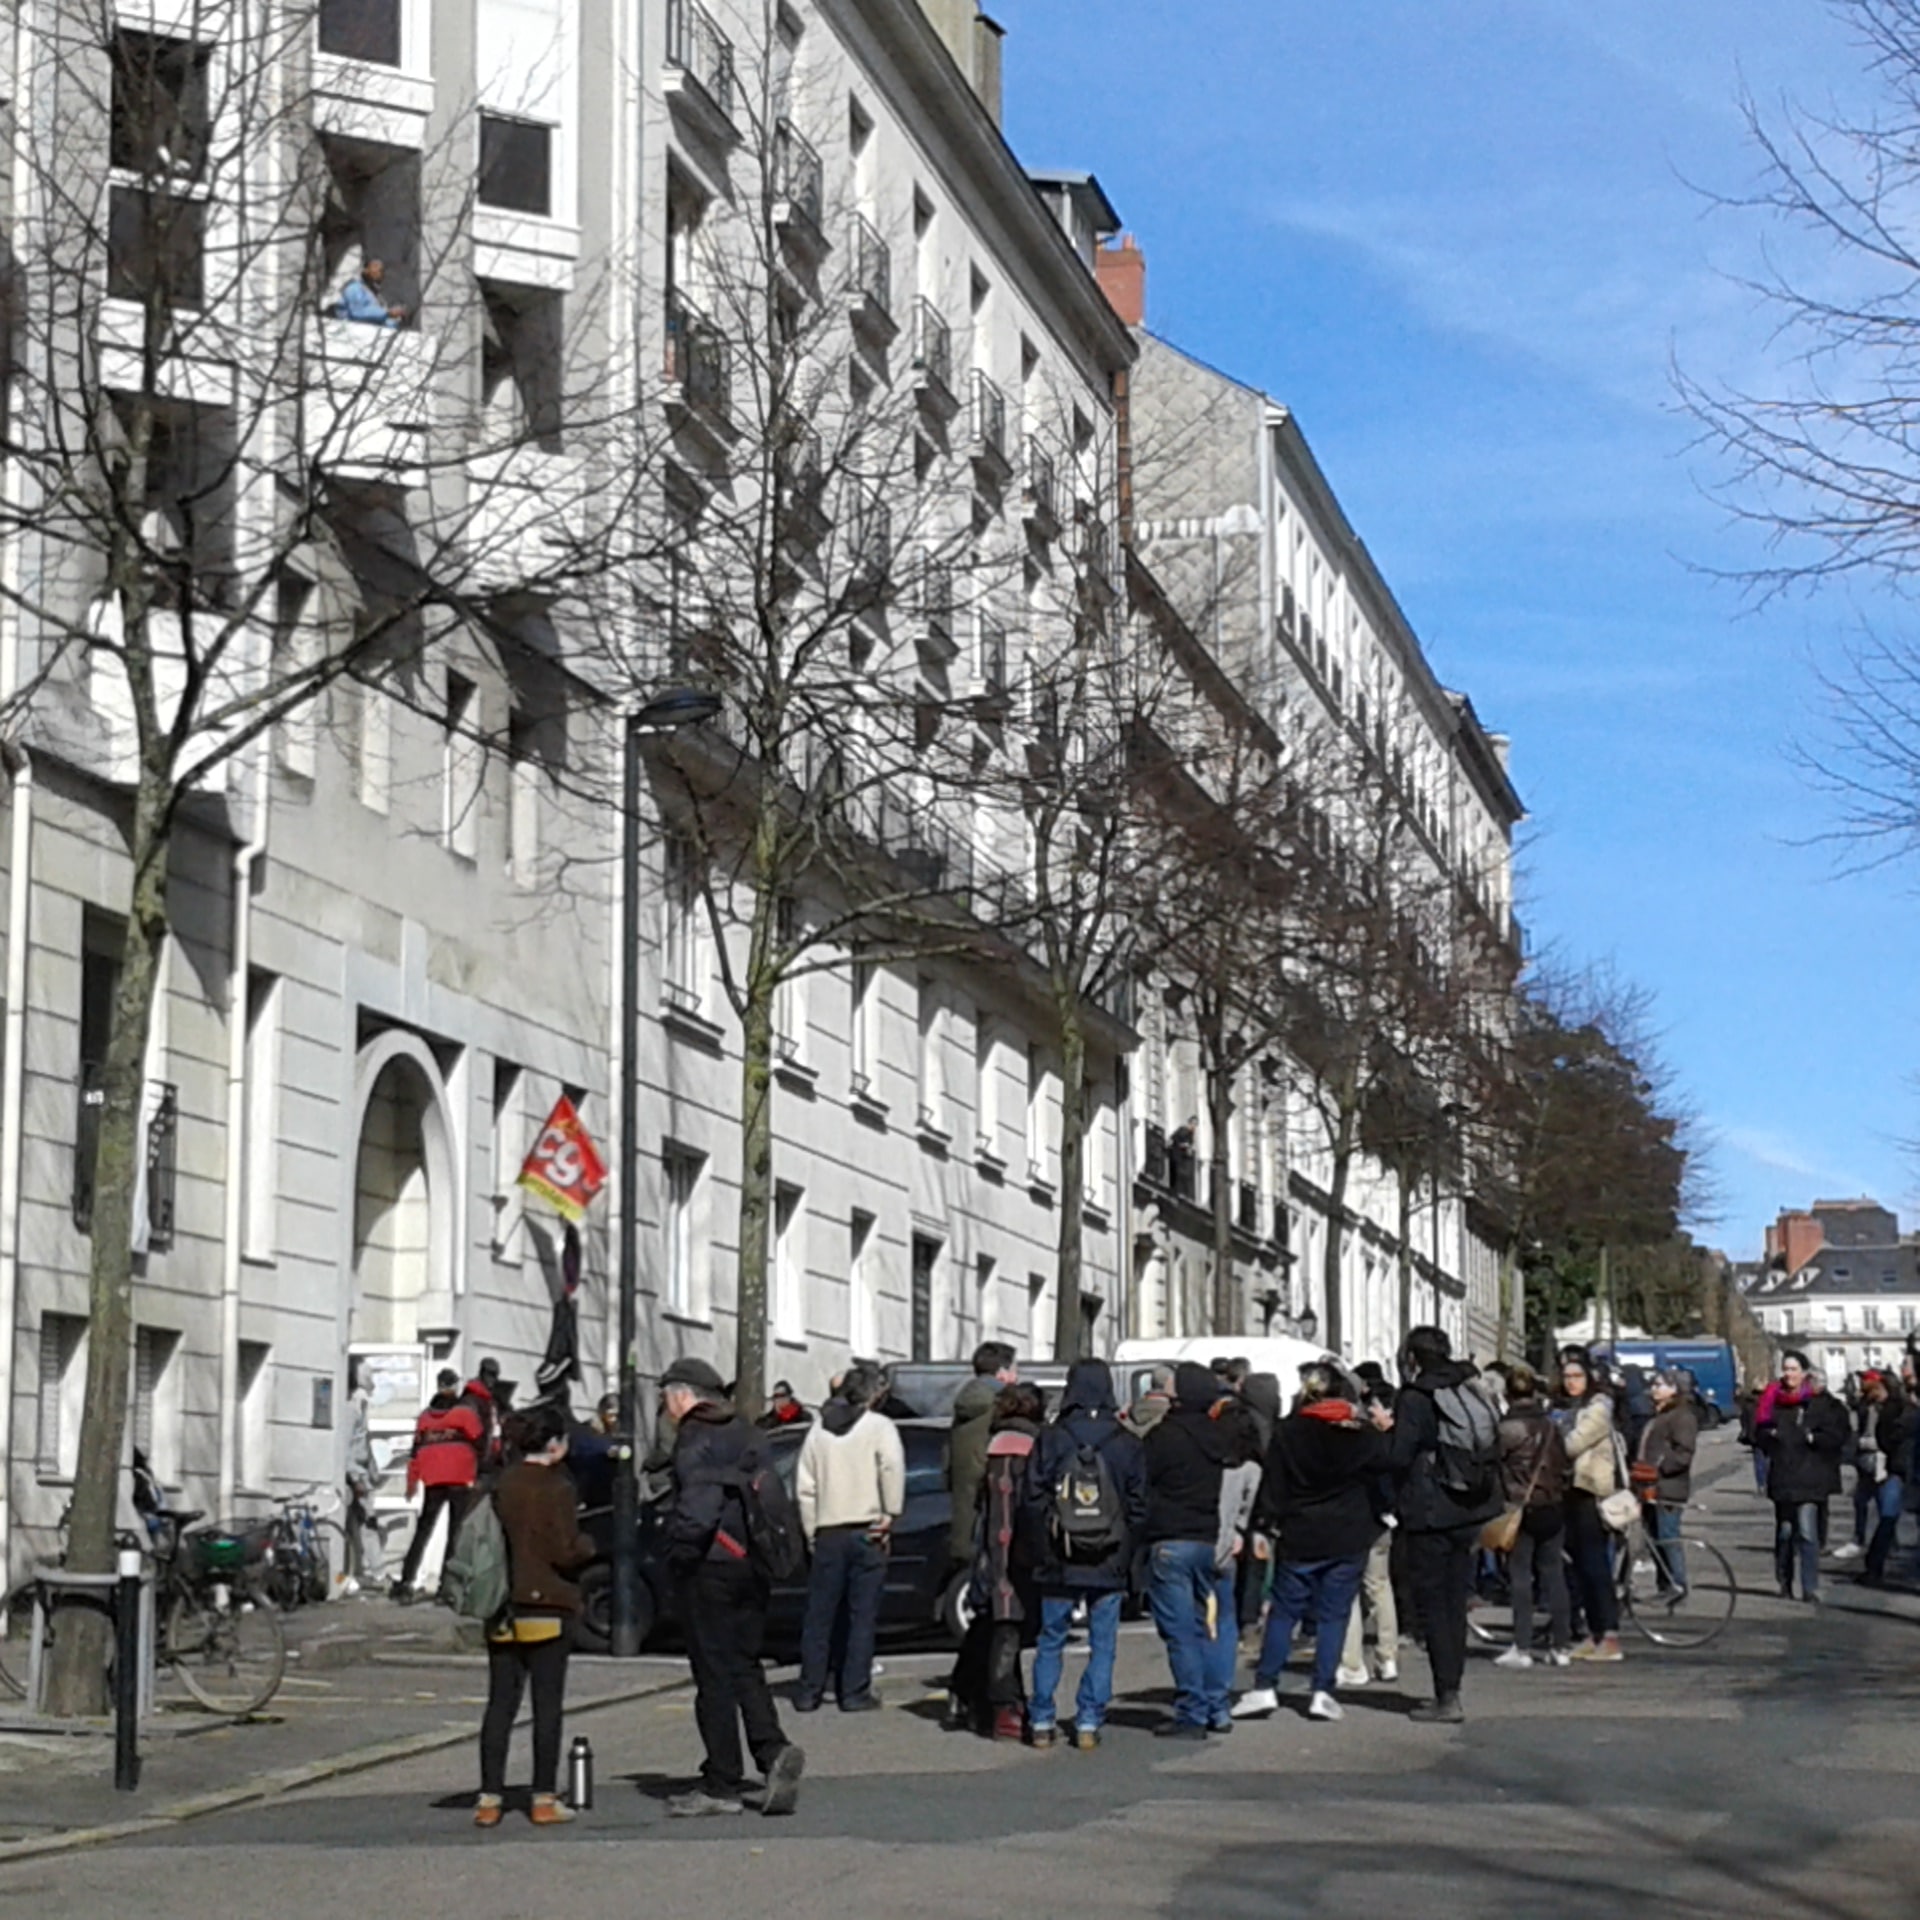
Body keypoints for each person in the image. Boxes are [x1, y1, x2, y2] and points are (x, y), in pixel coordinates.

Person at [660, 1357, 805, 1816]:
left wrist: (678, 1556)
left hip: (711, 1566)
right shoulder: (747, 1432)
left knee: (713, 1675)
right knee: (745, 1663)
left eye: (666, 1398)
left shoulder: (696, 1437)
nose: (665, 1408)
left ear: (684, 1395)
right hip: (752, 1563)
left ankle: (721, 1781)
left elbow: (697, 1512)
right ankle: (772, 1749)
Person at [1231, 1363, 1391, 1723]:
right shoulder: (1362, 1434)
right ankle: (1323, 1691)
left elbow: (1274, 1483)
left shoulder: (1290, 1431)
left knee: (1284, 1611)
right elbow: (1385, 1474)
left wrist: (1263, 1524)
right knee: (1334, 1614)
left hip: (1300, 1531)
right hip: (1349, 1531)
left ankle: (1265, 1685)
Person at [474, 1403, 595, 1829]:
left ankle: (489, 1799)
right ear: (555, 1445)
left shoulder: (500, 1483)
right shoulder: (557, 1487)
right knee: (547, 1706)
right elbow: (564, 1550)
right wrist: (588, 1546)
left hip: (503, 1605)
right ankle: (543, 1797)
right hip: (548, 1606)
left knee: (500, 1705)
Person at [1022, 1358, 1146, 1749]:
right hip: (1109, 1556)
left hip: (1060, 1555)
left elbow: (1031, 1499)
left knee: (1051, 1639)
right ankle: (1089, 1720)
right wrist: (1126, 1551)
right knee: (1103, 1642)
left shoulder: (1052, 1438)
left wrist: (1043, 1546)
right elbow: (1139, 1506)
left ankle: (1042, 1719)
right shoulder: (1126, 1441)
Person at [1385, 1325, 1503, 1722]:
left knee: (1434, 1604)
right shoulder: (1467, 1384)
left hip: (1430, 1509)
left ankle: (1446, 1695)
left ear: (1412, 1356)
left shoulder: (1416, 1396)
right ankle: (1452, 1686)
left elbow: (1400, 1455)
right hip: (1470, 1506)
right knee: (1455, 1602)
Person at [1142, 1362, 1252, 1738]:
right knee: (1210, 1627)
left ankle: (1192, 1711)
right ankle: (1217, 1706)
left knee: (1180, 1633)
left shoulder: (1164, 1436)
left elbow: (1143, 1484)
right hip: (1207, 1538)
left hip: (1169, 1538)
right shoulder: (1217, 1437)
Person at [793, 1363, 904, 1713]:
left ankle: (809, 1689)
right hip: (867, 1529)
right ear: (872, 1394)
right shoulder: (879, 1427)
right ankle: (854, 1691)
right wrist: (890, 1512)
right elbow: (891, 1467)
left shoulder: (817, 1430)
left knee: (819, 1615)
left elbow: (805, 1487)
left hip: (828, 1530)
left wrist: (812, 1530)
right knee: (862, 1615)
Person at [948, 1382, 1045, 1740]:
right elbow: (1015, 1508)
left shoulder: (974, 1435)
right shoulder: (1021, 1447)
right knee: (1007, 1623)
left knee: (988, 1623)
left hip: (979, 1538)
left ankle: (968, 1695)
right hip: (1008, 1548)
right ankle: (1003, 1704)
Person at [1492, 1363, 1572, 1668]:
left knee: (1521, 1576)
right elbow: (1565, 1465)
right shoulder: (1551, 1427)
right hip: (1552, 1504)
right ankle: (1561, 1646)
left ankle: (1522, 1646)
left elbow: (1492, 1465)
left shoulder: (1507, 1429)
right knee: (1554, 1574)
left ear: (1507, 1394)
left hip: (1519, 1507)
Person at [1553, 1348, 1625, 1662]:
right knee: (1579, 1567)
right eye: (1566, 1376)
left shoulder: (1598, 1408)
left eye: (1577, 1376)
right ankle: (1592, 1633)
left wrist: (1550, 1443)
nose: (1571, 1382)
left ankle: (1609, 1634)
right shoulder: (1565, 1407)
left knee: (1596, 1567)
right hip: (1569, 1492)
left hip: (1591, 1493)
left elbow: (1573, 1443)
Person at [1758, 1353, 1848, 1602]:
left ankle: (1810, 1586)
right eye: (1786, 1369)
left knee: (1807, 1532)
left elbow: (1836, 1436)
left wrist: (1812, 1438)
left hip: (1810, 1477)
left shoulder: (1819, 1403)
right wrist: (1770, 1436)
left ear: (1804, 1372)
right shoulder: (1773, 1400)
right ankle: (1785, 1582)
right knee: (1785, 1532)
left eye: (1794, 1369)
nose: (1789, 1374)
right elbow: (1758, 1433)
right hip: (1783, 1476)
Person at [393, 1368, 484, 1602]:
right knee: (455, 1533)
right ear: (455, 1386)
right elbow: (480, 1440)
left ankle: (406, 1582)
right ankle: (447, 1587)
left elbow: (415, 1451)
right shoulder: (465, 1413)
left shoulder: (425, 1417)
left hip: (433, 1479)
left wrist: (412, 1482)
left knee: (423, 1530)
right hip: (460, 1478)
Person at [1336, 1372, 1401, 1689]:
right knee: (1380, 1587)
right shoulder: (1389, 1440)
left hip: (1354, 1519)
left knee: (1349, 1590)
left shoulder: (1353, 1437)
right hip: (1383, 1518)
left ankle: (1352, 1663)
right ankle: (1387, 1657)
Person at [947, 1341, 1018, 1574]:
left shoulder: (965, 1400)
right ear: (1002, 1373)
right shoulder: (1001, 1403)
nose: (1017, 1375)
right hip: (989, 1497)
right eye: (1014, 1369)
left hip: (965, 1501)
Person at [1636, 1370, 1699, 1593]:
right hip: (1650, 1486)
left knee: (1668, 1536)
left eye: (1660, 1384)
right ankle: (1664, 1585)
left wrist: (1660, 1466)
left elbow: (1684, 1453)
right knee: (1655, 1537)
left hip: (1669, 1486)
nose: (1654, 1388)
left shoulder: (1682, 1416)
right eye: (1654, 1384)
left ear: (1674, 1389)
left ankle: (1678, 1583)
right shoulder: (1659, 1415)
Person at [1859, 1370, 1912, 1586]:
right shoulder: (1897, 1409)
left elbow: (1886, 1440)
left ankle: (1874, 1565)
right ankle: (1875, 1564)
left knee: (1888, 1517)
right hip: (1899, 1468)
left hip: (1897, 1468)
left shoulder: (1893, 1410)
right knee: (1888, 1516)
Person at [343, 1364, 383, 1592]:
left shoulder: (361, 1407)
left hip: (361, 1473)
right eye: (369, 1378)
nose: (373, 1384)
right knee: (363, 1524)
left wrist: (372, 1467)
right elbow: (347, 1446)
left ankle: (371, 1571)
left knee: (364, 1524)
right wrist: (355, 1477)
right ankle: (364, 1572)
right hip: (354, 1476)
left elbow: (363, 1441)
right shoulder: (352, 1408)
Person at [337, 257, 407, 327]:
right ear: (365, 269)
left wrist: (396, 316)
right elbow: (358, 312)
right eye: (375, 266)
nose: (379, 270)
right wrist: (387, 313)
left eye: (382, 270)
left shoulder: (375, 295)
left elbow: (381, 317)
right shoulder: (354, 287)